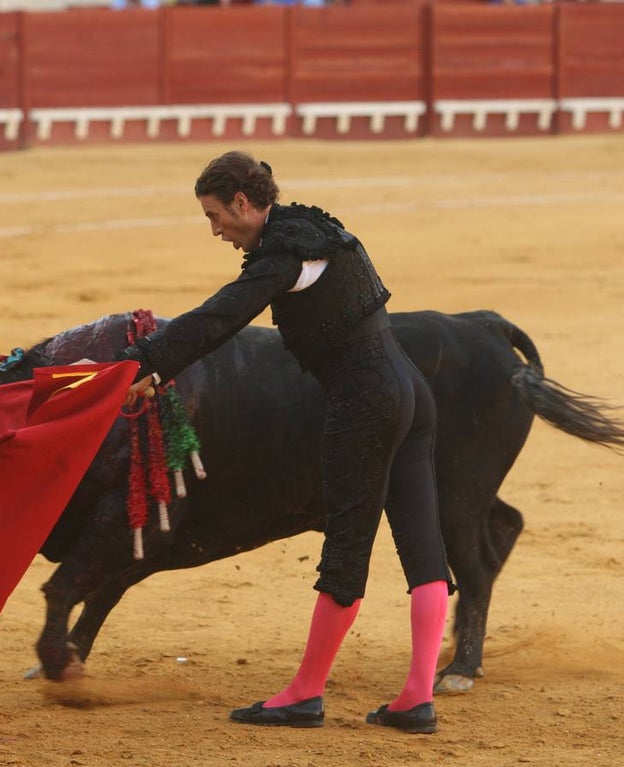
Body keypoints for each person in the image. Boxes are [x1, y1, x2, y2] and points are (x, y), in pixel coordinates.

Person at [116, 151, 454, 734]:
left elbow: (221, 317)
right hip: (410, 391)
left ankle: (305, 694)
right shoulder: (319, 229)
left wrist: (146, 362)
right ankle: (415, 699)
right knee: (424, 547)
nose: (215, 229)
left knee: (347, 549)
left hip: (364, 402)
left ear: (244, 204)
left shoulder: (282, 257)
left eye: (216, 215)